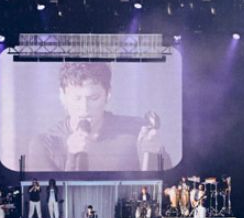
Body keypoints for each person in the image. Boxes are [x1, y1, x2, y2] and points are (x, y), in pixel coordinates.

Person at [25, 63, 166, 172]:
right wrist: (71, 157)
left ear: (108, 94)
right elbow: (47, 199)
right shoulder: (44, 145)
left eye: (93, 98)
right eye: (76, 98)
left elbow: (168, 182)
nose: (84, 108)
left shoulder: (135, 131)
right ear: (62, 96)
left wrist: (155, 154)